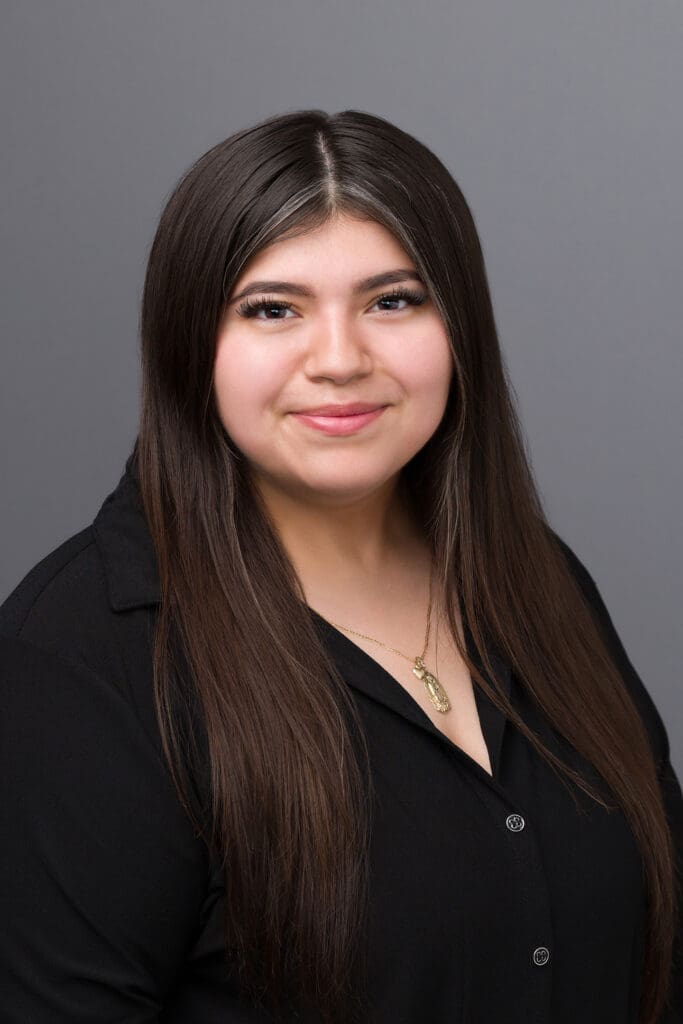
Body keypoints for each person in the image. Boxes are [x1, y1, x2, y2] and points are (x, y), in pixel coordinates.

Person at [0, 108, 680, 1024]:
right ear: (186, 344)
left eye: (391, 300)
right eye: (271, 309)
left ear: (459, 327)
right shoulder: (82, 661)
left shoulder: (537, 581)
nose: (339, 360)